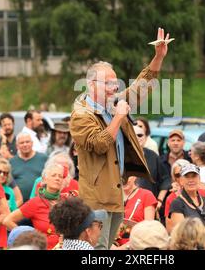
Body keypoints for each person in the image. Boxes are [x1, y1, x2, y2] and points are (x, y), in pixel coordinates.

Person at [69, 27, 170, 250]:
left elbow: (141, 87)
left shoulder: (113, 104)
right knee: (97, 250)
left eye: (116, 83)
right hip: (96, 199)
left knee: (106, 248)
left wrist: (158, 57)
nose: (115, 88)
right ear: (91, 85)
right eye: (109, 84)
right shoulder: (81, 115)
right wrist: (119, 117)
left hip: (115, 194)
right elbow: (100, 144)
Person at [3, 162, 66, 250]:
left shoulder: (67, 201)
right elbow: (7, 221)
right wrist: (28, 238)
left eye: (60, 176)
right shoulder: (35, 202)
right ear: (44, 179)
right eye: (53, 175)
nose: (57, 178)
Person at [133, 125, 169, 208]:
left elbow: (165, 179)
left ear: (146, 138)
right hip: (126, 205)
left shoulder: (153, 156)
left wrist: (159, 200)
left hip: (148, 205)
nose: (137, 137)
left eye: (140, 135)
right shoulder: (121, 156)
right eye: (133, 135)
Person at [169, 164, 205, 231]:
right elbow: (181, 234)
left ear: (199, 179)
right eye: (187, 177)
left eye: (194, 176)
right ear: (181, 181)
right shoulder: (177, 204)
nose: (191, 180)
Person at [116, 176, 157, 246]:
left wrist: (124, 248)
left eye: (128, 176)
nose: (124, 179)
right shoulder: (112, 196)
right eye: (120, 175)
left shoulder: (147, 195)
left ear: (134, 176)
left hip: (137, 244)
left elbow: (148, 229)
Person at [10, 132, 48, 202]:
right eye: (22, 143)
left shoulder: (43, 158)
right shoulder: (11, 162)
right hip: (18, 204)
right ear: (17, 146)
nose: (25, 145)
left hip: (39, 202)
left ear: (32, 143)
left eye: (27, 142)